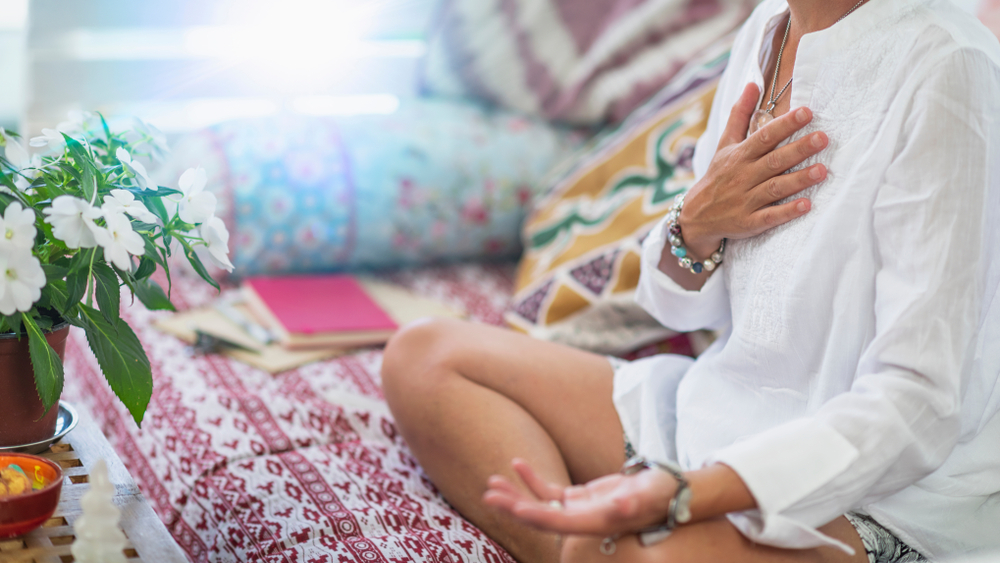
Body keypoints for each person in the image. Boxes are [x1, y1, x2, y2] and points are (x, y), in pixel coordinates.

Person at [380, 0, 1000, 559]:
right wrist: (696, 224)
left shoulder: (950, 64)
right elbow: (681, 308)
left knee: (639, 555)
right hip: (721, 412)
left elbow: (919, 404)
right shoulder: (766, 30)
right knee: (426, 355)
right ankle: (587, 545)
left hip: (883, 488)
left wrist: (687, 494)